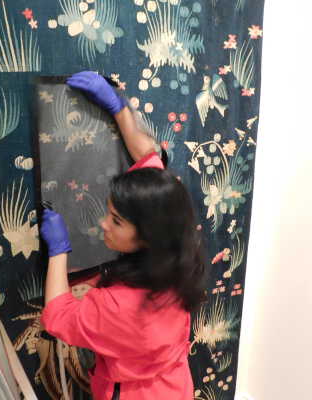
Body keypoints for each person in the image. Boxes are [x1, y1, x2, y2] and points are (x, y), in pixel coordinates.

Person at [40, 71, 208, 400]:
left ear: (148, 235)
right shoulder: (177, 254)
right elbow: (150, 159)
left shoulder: (120, 306)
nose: (103, 224)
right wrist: (119, 109)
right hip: (175, 386)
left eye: (116, 221)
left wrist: (58, 250)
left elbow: (57, 316)